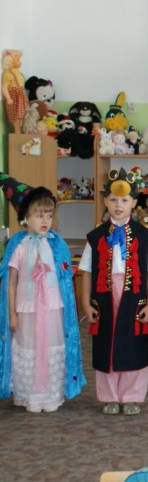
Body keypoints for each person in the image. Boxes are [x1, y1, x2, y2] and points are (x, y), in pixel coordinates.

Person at [80, 168, 148, 415]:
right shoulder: (95, 237)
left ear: (134, 203)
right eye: (114, 200)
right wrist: (85, 303)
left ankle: (132, 395)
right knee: (106, 341)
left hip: (134, 297)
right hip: (104, 296)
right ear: (105, 201)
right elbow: (87, 271)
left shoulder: (145, 237)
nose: (119, 205)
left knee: (133, 342)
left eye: (124, 200)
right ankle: (109, 396)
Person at [0, 176, 85, 412]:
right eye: (39, 216)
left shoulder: (56, 244)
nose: (45, 221)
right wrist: (11, 314)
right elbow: (11, 282)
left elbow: (65, 280)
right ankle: (31, 395)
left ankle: (51, 394)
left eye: (49, 215)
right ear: (25, 217)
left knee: (51, 347)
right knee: (30, 348)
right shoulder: (19, 246)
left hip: (53, 308)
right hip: (26, 309)